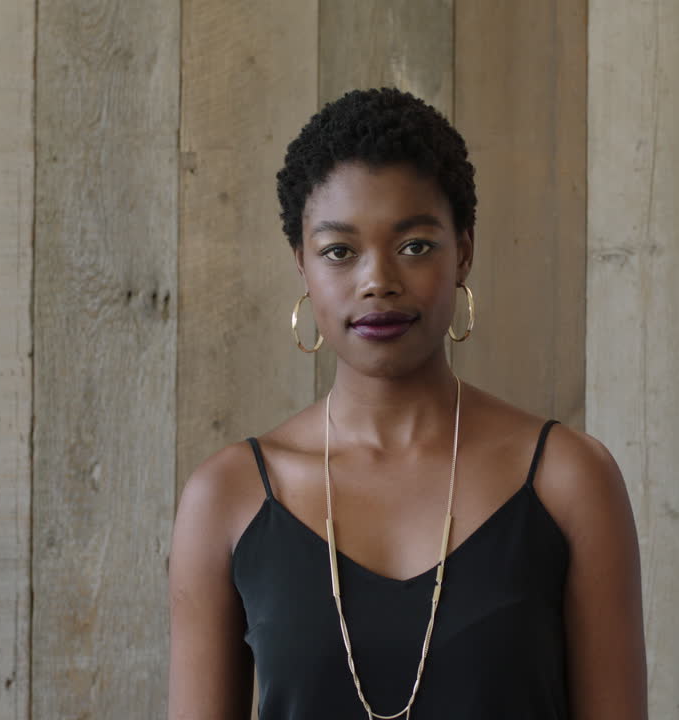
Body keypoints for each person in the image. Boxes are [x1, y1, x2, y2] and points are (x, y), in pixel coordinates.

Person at [168, 87, 646, 719]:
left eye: (415, 245)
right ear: (302, 269)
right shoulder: (229, 497)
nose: (378, 280)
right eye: (339, 251)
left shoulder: (569, 480)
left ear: (464, 252)